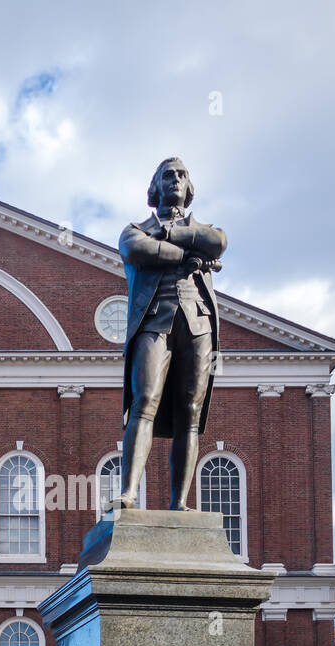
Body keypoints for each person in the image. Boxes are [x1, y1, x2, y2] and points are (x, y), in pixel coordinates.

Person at [114, 157, 227, 511]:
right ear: (156, 186)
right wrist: (186, 255)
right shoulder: (136, 229)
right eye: (168, 175)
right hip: (153, 321)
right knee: (144, 399)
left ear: (188, 186)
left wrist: (175, 235)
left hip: (197, 322)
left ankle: (179, 503)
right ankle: (129, 494)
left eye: (181, 175)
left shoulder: (205, 230)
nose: (175, 180)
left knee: (189, 411)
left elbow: (218, 242)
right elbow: (136, 249)